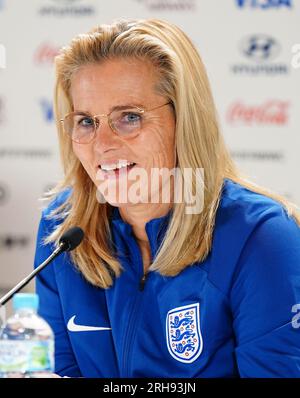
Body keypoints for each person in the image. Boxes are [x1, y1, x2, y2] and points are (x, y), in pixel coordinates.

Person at [34, 18, 300, 378]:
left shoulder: (262, 238)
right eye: (86, 121)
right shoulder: (63, 228)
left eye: (128, 117)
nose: (103, 143)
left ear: (185, 120)